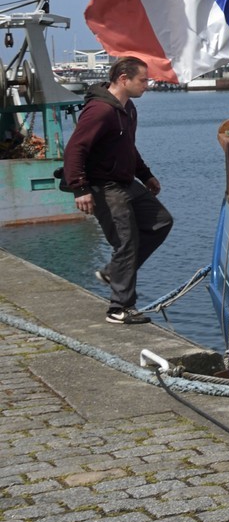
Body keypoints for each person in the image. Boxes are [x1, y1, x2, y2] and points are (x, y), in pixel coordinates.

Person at [63, 56, 173, 325]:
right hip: (103, 186)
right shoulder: (100, 110)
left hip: (126, 183)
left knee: (160, 222)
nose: (147, 85)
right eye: (142, 80)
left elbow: (126, 147)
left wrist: (145, 175)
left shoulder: (128, 108)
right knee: (126, 241)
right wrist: (80, 188)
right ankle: (119, 308)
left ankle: (114, 272)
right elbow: (75, 148)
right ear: (124, 79)